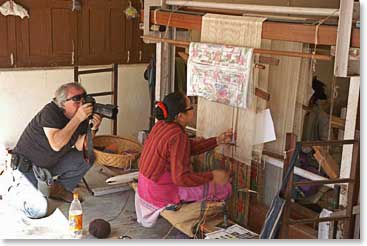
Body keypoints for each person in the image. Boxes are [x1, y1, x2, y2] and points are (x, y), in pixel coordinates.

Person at [135, 91, 233, 227]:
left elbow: (186, 148)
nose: (194, 109)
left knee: (203, 181)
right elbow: (180, 178)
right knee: (224, 188)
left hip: (145, 187)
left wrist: (217, 140)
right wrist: (212, 176)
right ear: (180, 116)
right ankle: (212, 225)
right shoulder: (177, 135)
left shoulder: (161, 125)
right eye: (191, 107)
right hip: (159, 192)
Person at [4, 82, 102, 219]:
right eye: (76, 99)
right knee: (38, 209)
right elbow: (56, 144)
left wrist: (93, 128)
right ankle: (10, 191)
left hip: (50, 165)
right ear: (62, 103)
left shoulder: (80, 116)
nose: (82, 102)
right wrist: (78, 118)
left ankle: (59, 189)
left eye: (84, 97)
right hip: (27, 169)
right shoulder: (50, 112)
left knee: (87, 158)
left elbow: (81, 146)